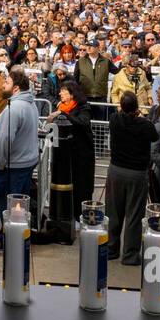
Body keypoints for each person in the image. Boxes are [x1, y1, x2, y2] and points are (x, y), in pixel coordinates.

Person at [105, 90, 160, 263]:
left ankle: (111, 248)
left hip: (116, 170)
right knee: (134, 214)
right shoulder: (145, 125)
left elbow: (121, 117)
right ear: (136, 107)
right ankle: (130, 254)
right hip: (137, 173)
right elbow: (154, 136)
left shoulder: (115, 120)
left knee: (113, 211)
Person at [0, 68, 40, 250]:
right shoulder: (28, 104)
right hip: (23, 163)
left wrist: (1, 162)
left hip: (13, 165)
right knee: (19, 205)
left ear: (16, 88)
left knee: (9, 206)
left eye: (7, 83)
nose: (3, 85)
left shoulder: (15, 108)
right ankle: (13, 239)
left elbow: (5, 140)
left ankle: (9, 241)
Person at [45, 79, 95, 239]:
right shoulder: (61, 107)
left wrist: (63, 114)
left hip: (82, 155)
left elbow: (83, 122)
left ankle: (81, 216)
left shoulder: (83, 107)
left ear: (72, 94)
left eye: (63, 91)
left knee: (82, 186)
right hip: (66, 154)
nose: (60, 94)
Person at [75, 38, 115, 103]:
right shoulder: (80, 62)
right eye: (87, 46)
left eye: (91, 46)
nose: (88, 48)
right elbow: (75, 79)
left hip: (101, 96)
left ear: (97, 48)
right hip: (85, 96)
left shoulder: (106, 61)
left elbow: (117, 72)